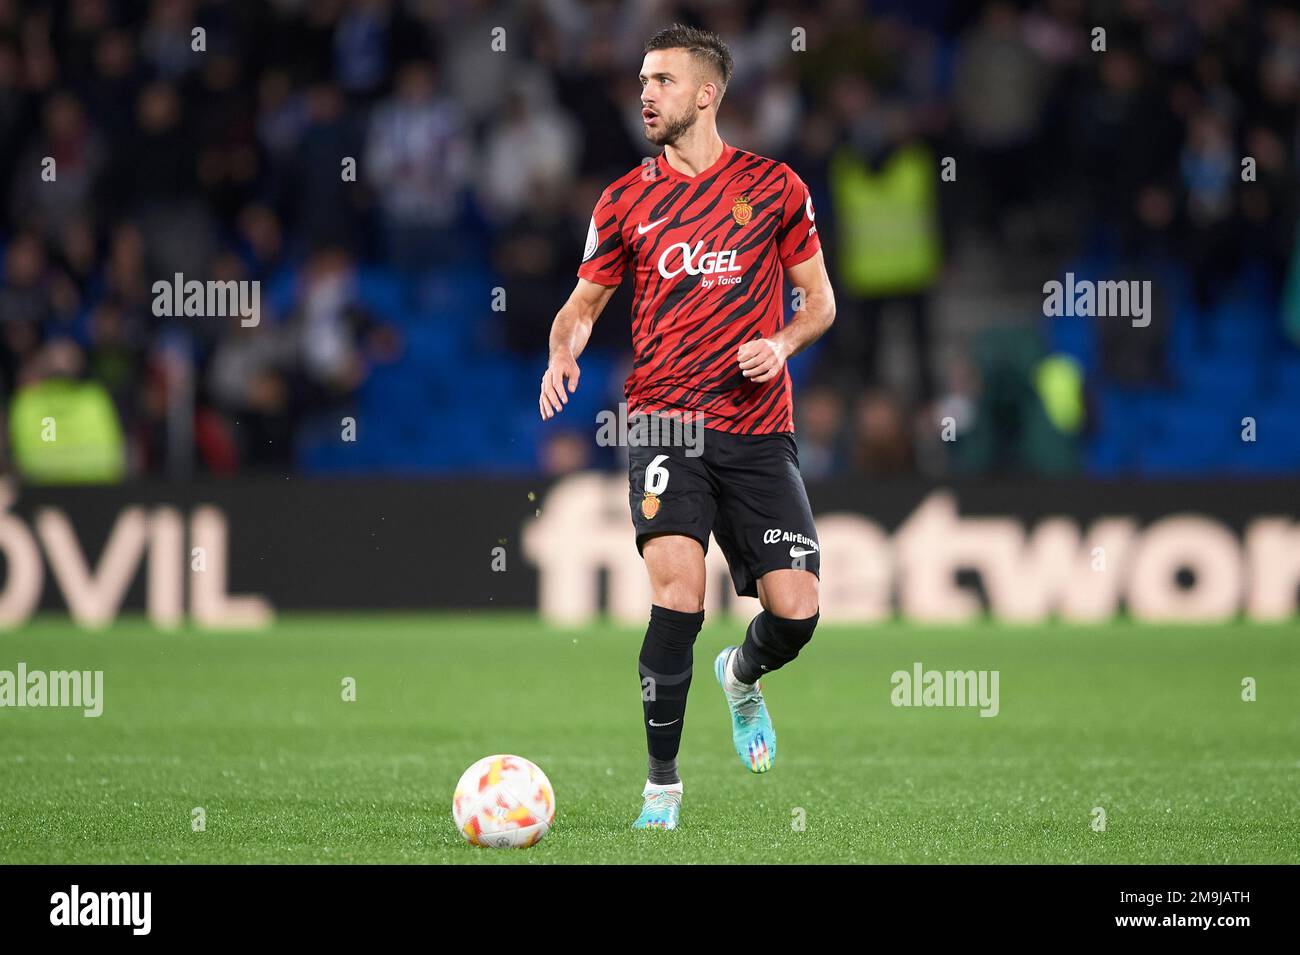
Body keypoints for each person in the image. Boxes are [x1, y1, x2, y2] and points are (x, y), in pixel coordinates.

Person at [538, 24, 836, 831]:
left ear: (707, 94)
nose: (646, 92)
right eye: (643, 79)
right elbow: (582, 306)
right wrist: (561, 351)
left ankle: (742, 673)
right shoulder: (624, 198)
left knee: (799, 612)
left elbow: (820, 303)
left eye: (662, 80)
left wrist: (779, 343)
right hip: (665, 420)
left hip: (756, 425)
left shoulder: (775, 188)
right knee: (676, 594)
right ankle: (661, 789)